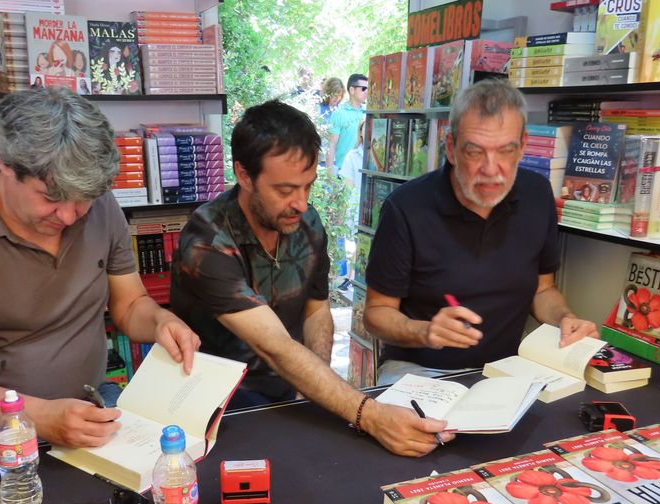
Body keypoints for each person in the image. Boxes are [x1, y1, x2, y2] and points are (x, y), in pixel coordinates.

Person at [0, 87, 200, 448]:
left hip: (96, 407)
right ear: (4, 162)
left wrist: (161, 321)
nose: (68, 216)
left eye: (82, 201)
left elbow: (129, 305)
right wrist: (36, 415)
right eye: (50, 198)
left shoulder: (99, 204)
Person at [172, 100, 451, 457]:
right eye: (285, 190)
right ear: (244, 175)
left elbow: (316, 310)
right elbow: (274, 346)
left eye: (308, 186)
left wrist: (312, 387)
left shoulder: (307, 223)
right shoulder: (207, 241)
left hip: (292, 386)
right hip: (218, 408)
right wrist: (370, 414)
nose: (301, 203)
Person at [363, 79, 598, 385]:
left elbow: (543, 290)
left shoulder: (537, 195)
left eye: (505, 151)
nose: (491, 169)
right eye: (475, 152)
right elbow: (377, 313)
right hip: (421, 369)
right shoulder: (405, 208)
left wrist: (565, 319)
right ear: (451, 148)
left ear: (523, 146)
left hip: (510, 368)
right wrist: (425, 331)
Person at [326, 73, 367, 177]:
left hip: (365, 172)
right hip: (343, 171)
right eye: (363, 88)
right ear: (352, 90)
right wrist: (329, 174)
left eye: (368, 89)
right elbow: (331, 144)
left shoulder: (369, 112)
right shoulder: (339, 113)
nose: (366, 92)